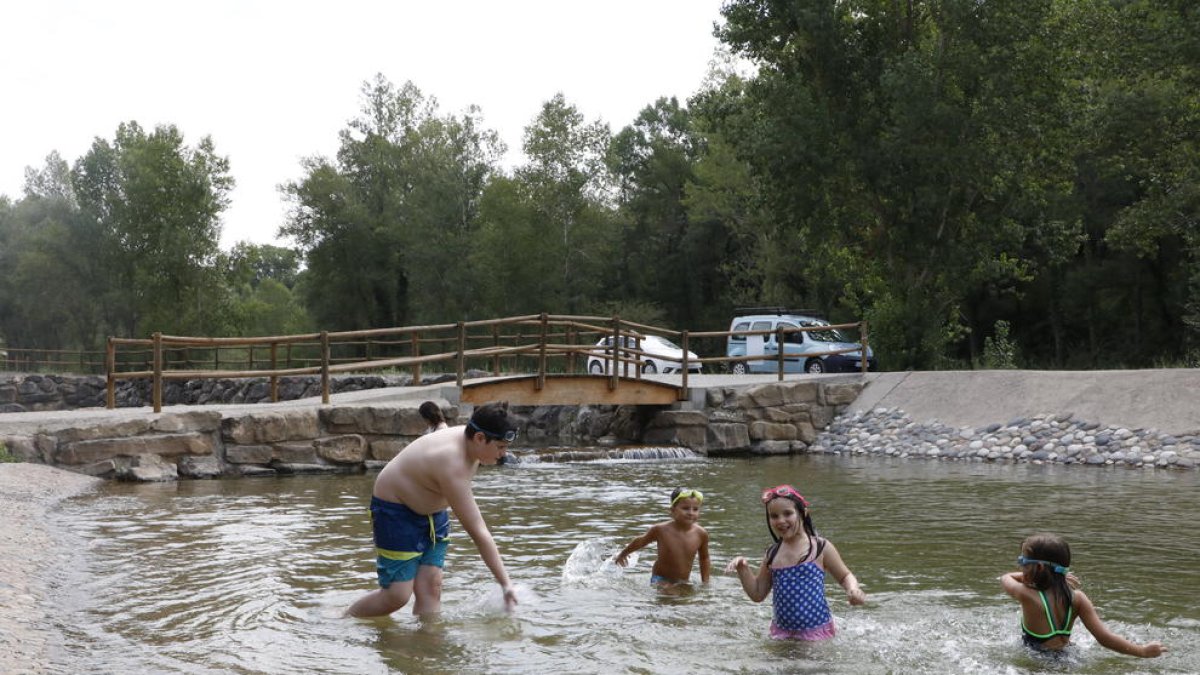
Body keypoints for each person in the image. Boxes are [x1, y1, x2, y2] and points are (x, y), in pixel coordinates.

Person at [347, 400, 520, 618]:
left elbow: (445, 432)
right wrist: (506, 584)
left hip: (434, 512)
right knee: (397, 596)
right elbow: (478, 531)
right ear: (479, 438)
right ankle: (344, 618)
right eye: (501, 447)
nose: (504, 454)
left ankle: (427, 646)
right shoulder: (452, 463)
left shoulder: (471, 440)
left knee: (432, 586)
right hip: (396, 510)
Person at [725, 484, 866, 640]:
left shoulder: (820, 547)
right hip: (781, 633)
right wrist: (742, 568)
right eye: (774, 516)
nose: (781, 520)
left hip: (816, 632)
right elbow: (758, 594)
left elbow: (845, 576)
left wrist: (853, 590)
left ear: (803, 513)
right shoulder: (772, 554)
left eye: (787, 514)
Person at [999, 533, 1166, 658]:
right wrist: (1142, 651)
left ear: (1040, 568)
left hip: (1036, 660)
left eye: (1023, 562)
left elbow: (1005, 578)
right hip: (1069, 656)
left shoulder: (1025, 594)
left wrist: (1029, 577)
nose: (1020, 567)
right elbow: (1105, 638)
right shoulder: (1078, 597)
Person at [614, 488, 711, 587]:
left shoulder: (701, 534)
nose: (691, 513)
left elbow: (704, 558)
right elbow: (641, 541)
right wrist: (623, 554)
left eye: (695, 509)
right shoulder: (660, 530)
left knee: (687, 600)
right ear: (672, 511)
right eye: (685, 508)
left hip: (683, 581)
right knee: (671, 596)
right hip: (660, 579)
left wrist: (705, 582)